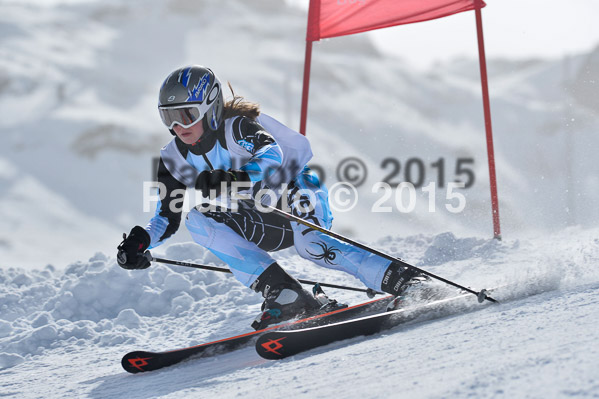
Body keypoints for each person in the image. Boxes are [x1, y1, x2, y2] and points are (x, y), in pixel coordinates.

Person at [117, 65, 421, 330]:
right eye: (168, 117)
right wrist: (142, 241)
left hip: (296, 192)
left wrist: (235, 177)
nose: (177, 126)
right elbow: (167, 218)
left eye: (186, 115)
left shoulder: (237, 128)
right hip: (261, 217)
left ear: (209, 108)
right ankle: (286, 294)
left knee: (313, 246)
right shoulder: (172, 157)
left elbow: (271, 154)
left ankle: (406, 282)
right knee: (198, 219)